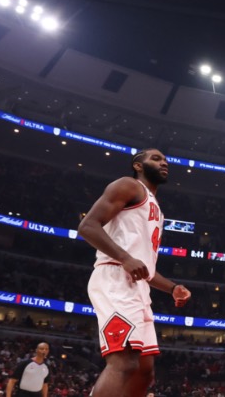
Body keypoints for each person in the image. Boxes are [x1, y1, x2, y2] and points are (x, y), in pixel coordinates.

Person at [78, 149, 191, 397]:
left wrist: (172, 287)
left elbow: (145, 270)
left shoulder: (156, 207)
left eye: (166, 160)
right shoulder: (128, 185)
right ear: (138, 165)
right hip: (115, 277)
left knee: (144, 370)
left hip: (138, 287)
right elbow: (87, 226)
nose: (164, 163)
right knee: (123, 363)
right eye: (156, 159)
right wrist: (125, 258)